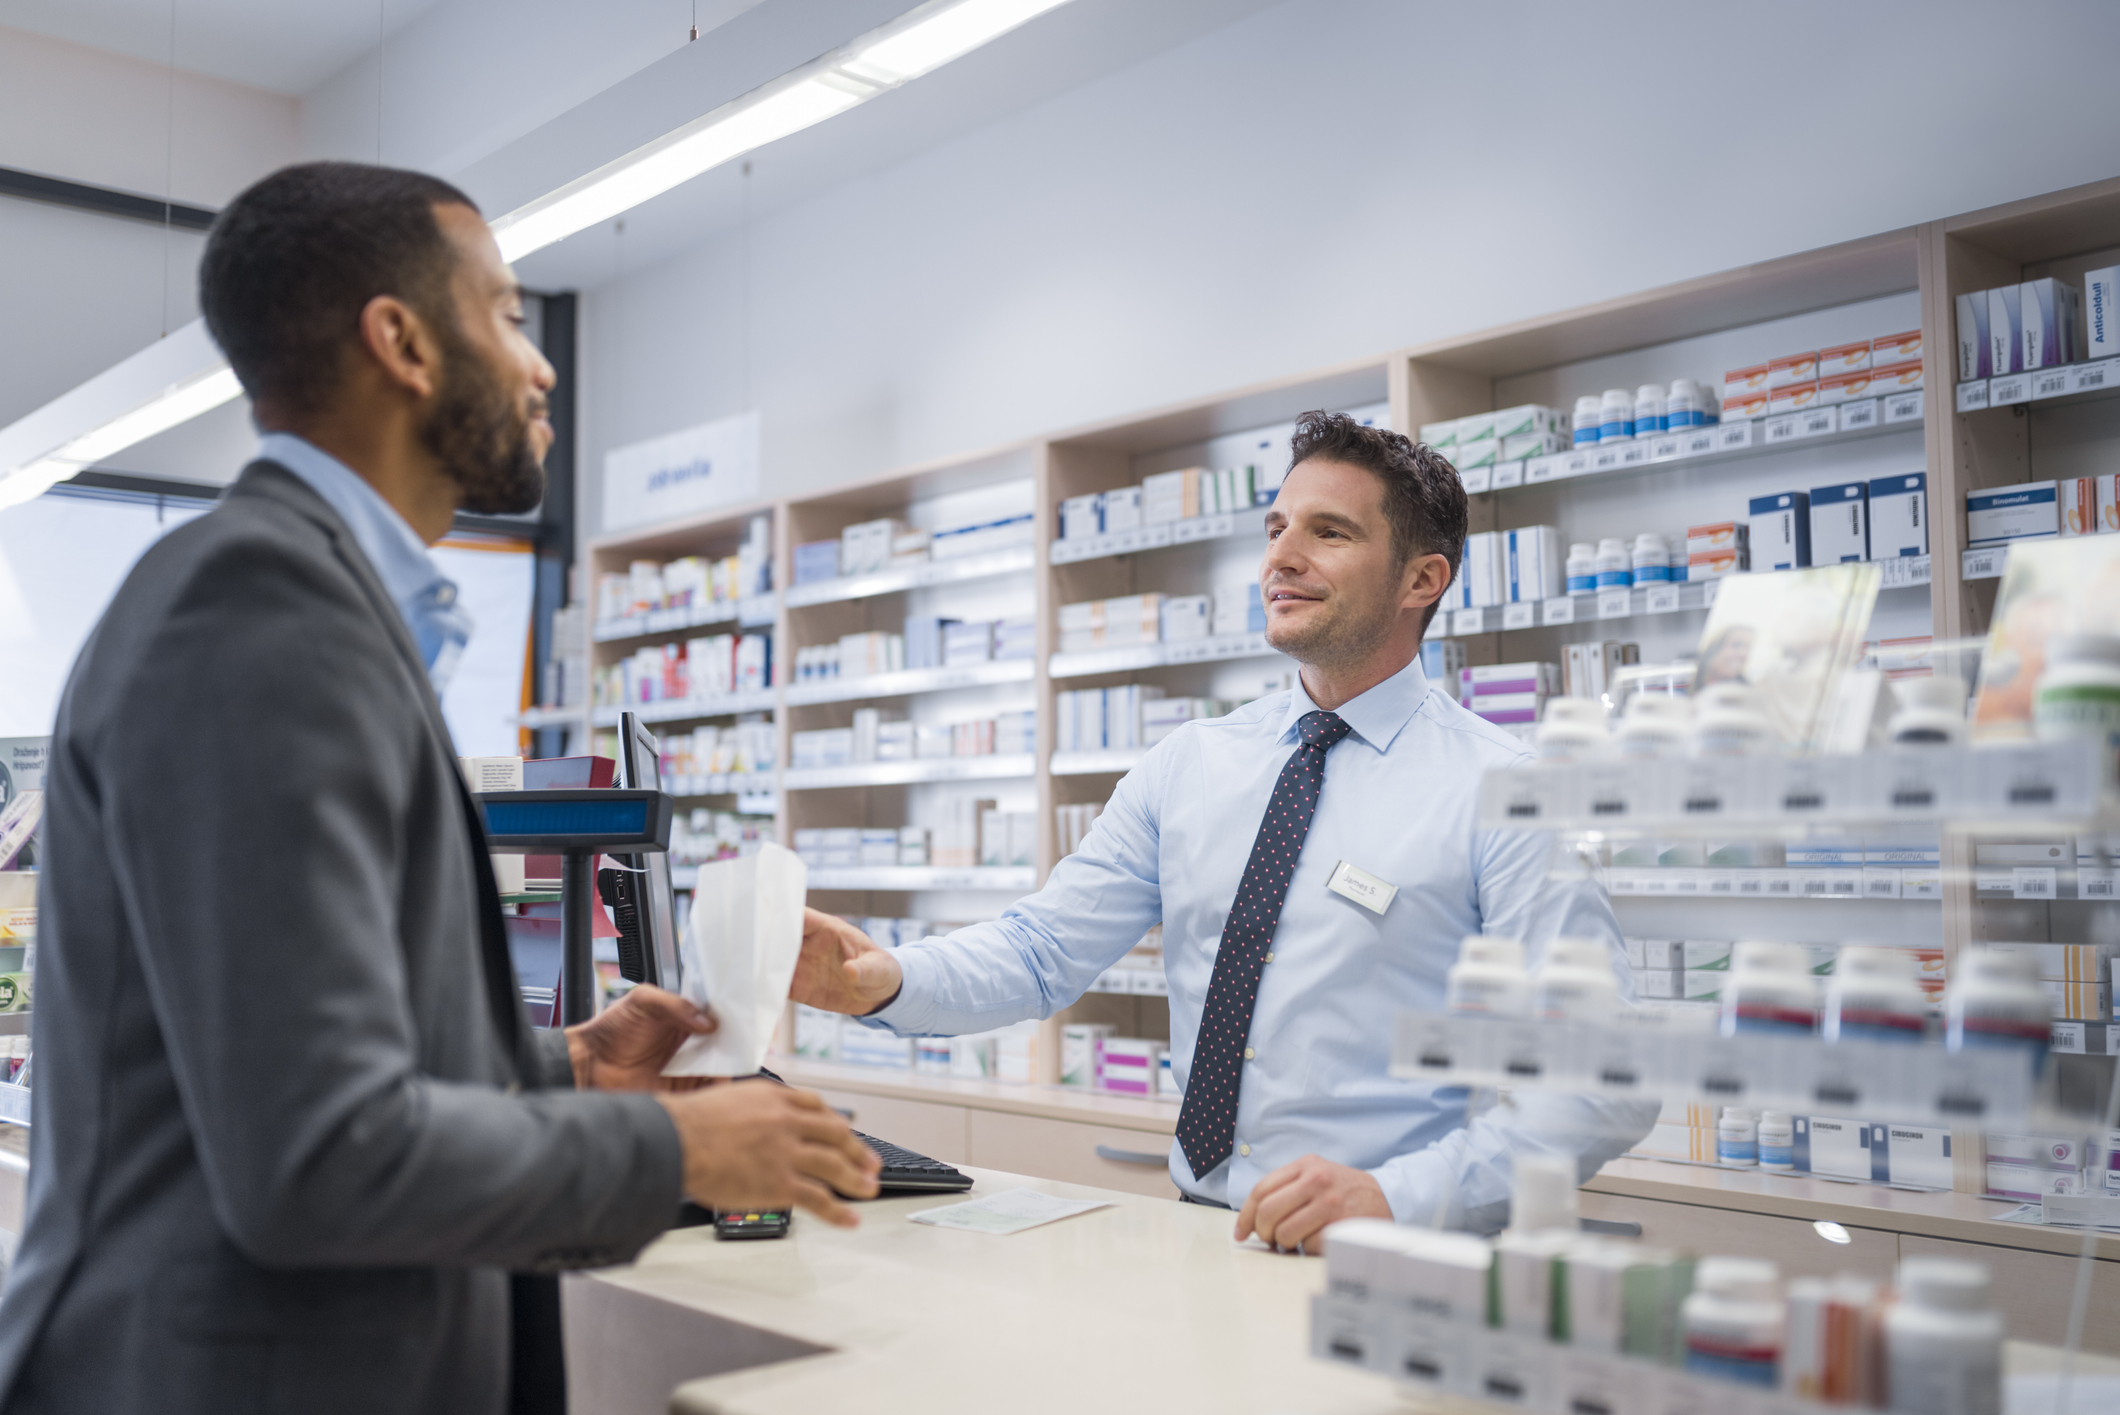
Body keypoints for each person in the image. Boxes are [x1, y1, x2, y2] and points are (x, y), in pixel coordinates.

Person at [0, 162, 878, 1415]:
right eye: (510, 315)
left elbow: (304, 1052)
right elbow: (312, 1156)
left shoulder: (310, 603)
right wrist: (674, 1144)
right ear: (401, 341)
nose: (543, 365)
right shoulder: (256, 615)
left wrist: (563, 1071)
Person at [795, 412, 1655, 1251]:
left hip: (1388, 1252)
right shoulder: (1193, 763)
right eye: (1277, 526)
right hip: (1199, 1232)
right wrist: (884, 979)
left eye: (1329, 532)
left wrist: (1398, 1196)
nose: (1280, 556)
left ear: (1421, 579)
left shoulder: (1507, 790)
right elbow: (1039, 949)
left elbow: (1605, 1078)